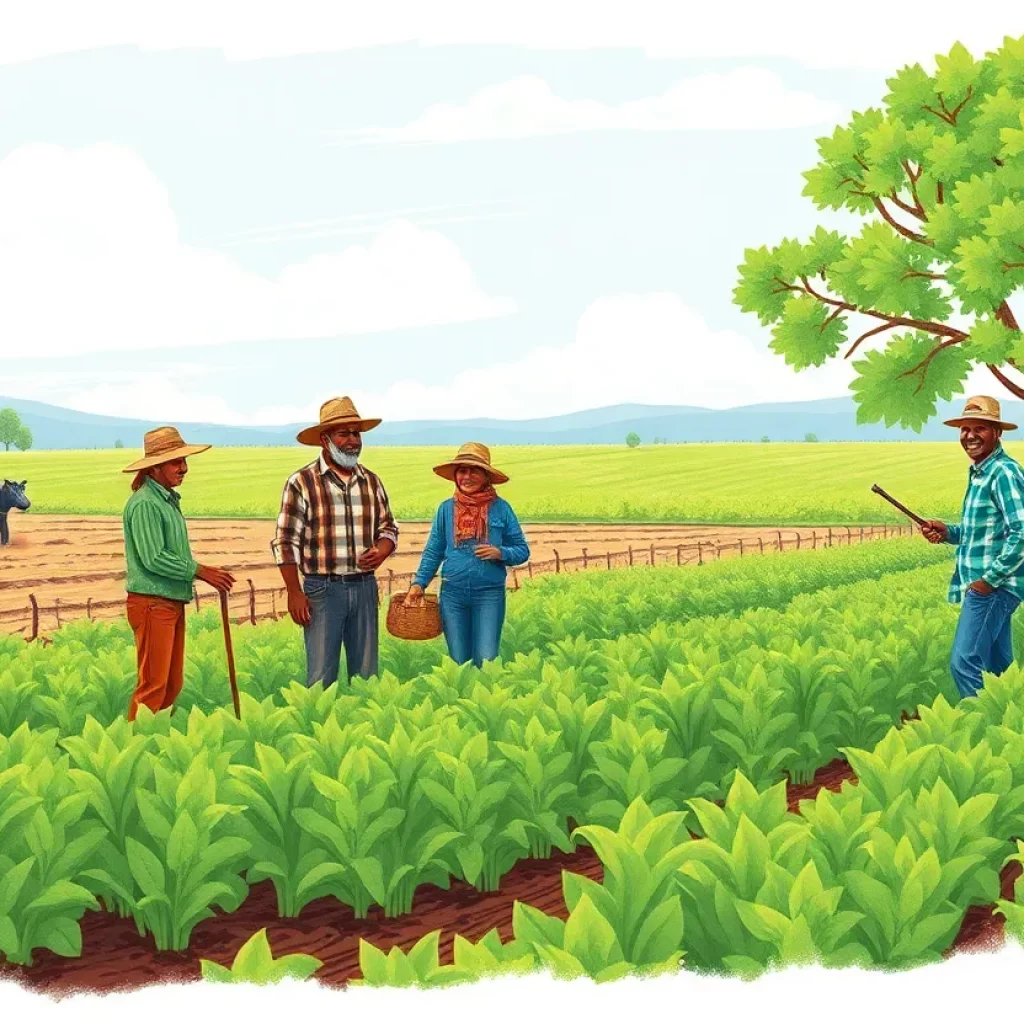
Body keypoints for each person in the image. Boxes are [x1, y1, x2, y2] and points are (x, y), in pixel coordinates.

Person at [272, 396, 398, 687]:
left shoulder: (371, 481)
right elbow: (285, 541)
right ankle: (319, 717)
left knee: (366, 676)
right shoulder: (302, 482)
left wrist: (383, 549)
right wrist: (294, 592)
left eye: (356, 433)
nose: (353, 441)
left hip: (365, 586)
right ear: (324, 440)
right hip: (322, 589)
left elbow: (388, 527)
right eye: (344, 434)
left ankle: (363, 716)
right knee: (321, 677)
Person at [121, 426, 235, 720]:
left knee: (171, 685)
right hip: (152, 603)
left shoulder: (165, 500)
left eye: (184, 461)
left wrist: (201, 572)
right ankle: (135, 742)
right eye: (175, 462)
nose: (183, 468)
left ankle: (156, 739)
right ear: (155, 467)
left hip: (168, 601)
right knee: (153, 686)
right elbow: (154, 558)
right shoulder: (146, 503)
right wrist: (201, 571)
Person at [921, 395, 1024, 698]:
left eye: (980, 428)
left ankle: (982, 722)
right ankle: (1011, 720)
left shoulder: (1003, 472)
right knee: (999, 669)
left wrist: (988, 581)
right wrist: (948, 532)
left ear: (997, 433)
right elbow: (984, 533)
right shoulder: (982, 472)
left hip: (993, 588)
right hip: (989, 587)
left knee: (964, 663)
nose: (970, 435)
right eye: (965, 429)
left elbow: (1022, 531)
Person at [405, 442, 529, 667]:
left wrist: (500, 552)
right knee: (459, 662)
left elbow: (522, 550)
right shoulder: (446, 509)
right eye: (462, 471)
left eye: (474, 471)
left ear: (486, 476)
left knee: (487, 660)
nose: (467, 476)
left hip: (489, 594)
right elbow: (434, 550)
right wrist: (419, 583)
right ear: (455, 476)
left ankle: (487, 691)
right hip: (452, 594)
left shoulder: (501, 508)